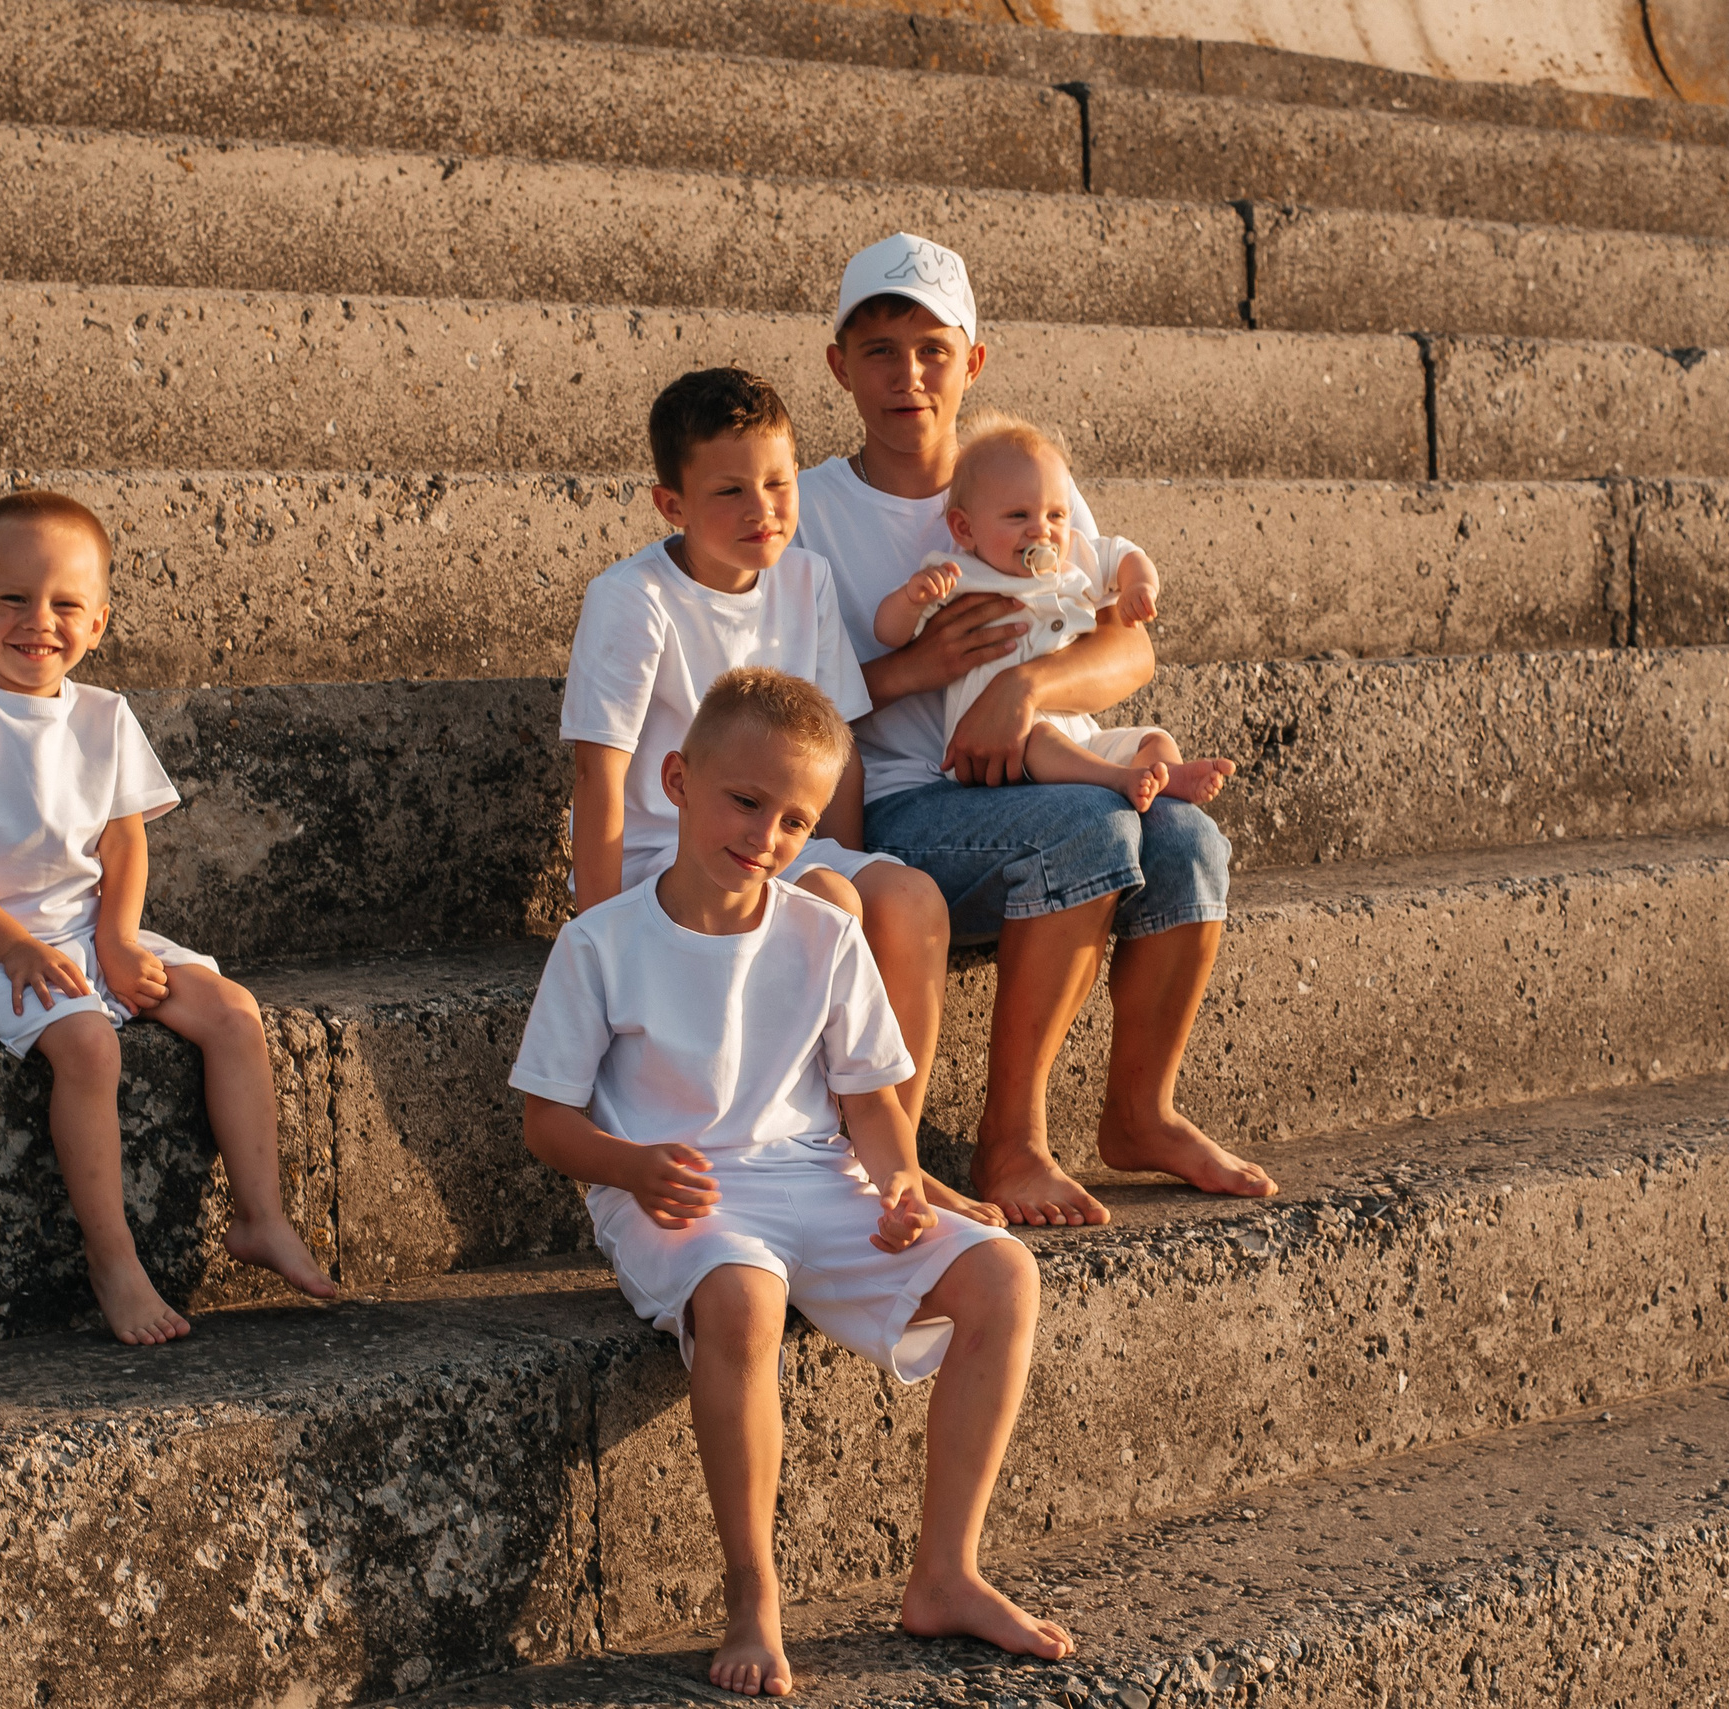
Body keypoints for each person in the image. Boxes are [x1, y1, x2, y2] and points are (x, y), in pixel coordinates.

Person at [514, 667, 1068, 1698]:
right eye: (745, 800)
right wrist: (631, 1164)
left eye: (795, 818)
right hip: (673, 1189)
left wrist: (902, 1177)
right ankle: (751, 1589)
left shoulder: (822, 931)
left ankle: (946, 1568)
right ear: (676, 779)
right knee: (742, 1295)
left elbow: (867, 1097)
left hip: (814, 1171)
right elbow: (548, 1123)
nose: (767, 834)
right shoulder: (601, 942)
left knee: (1002, 1275)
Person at [795, 233, 1279, 1226]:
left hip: (1036, 769)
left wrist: (1026, 688)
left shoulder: (1017, 471)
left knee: (1187, 837)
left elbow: (1128, 649)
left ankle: (1140, 1112)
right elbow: (783, 702)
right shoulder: (808, 510)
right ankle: (1010, 1142)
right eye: (879, 350)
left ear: (971, 362)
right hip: (903, 804)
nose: (908, 376)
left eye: (933, 350)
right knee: (1086, 828)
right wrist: (915, 671)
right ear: (840, 365)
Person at [0, 489, 335, 1346]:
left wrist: (119, 939)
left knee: (232, 1011)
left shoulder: (103, 714)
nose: (37, 620)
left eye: (64, 604)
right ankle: (113, 1258)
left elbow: (125, 844)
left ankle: (259, 1214)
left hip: (86, 926)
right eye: (12, 598)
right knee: (89, 1043)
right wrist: (12, 945)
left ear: (99, 620)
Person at [561, 366, 963, 1155]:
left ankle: (893, 1158)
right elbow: (597, 777)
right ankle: (832, 1144)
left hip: (781, 839)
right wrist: (601, 939)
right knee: (829, 906)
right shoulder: (633, 600)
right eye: (729, 492)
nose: (763, 510)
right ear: (671, 504)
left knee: (911, 900)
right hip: (667, 856)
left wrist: (839, 855)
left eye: (779, 483)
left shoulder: (806, 579)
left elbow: (835, 754)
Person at [875, 412, 1237, 814]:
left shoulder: (1074, 557)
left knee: (1151, 737)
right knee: (1041, 740)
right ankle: (1118, 780)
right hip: (1001, 745)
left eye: (1056, 515)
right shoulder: (960, 574)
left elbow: (1125, 554)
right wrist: (911, 599)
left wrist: (1139, 586)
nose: (1041, 531)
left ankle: (1166, 772)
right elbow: (888, 632)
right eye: (1018, 516)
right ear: (965, 529)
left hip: (1079, 734)